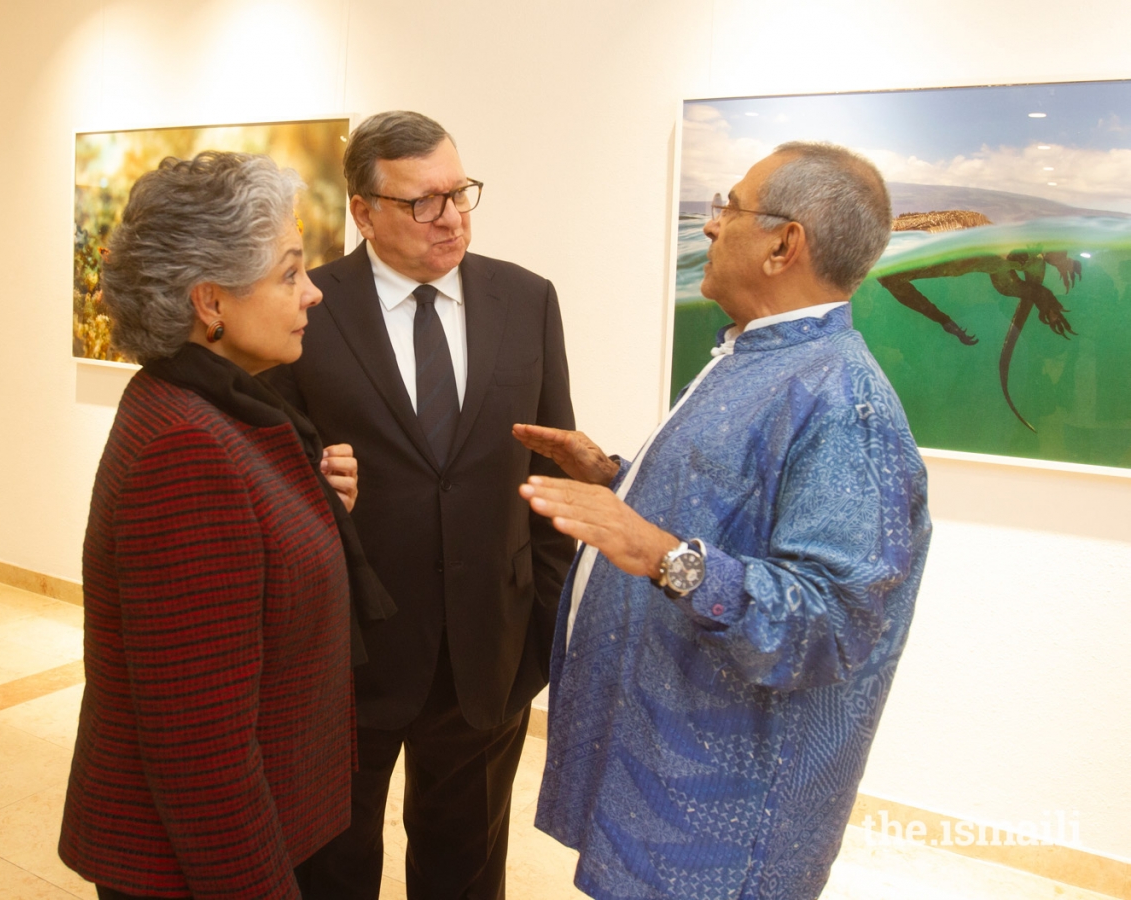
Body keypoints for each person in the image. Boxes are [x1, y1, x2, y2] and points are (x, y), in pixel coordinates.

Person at [516, 142, 932, 900]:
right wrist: (616, 476)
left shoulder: (845, 405)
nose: (711, 227)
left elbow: (834, 622)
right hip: (665, 771)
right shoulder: (760, 357)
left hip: (723, 820)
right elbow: (735, 508)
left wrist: (658, 554)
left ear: (784, 243)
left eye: (730, 208)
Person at [263, 110, 576, 899]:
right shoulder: (308, 308)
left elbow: (553, 464)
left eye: (460, 192)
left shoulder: (526, 299)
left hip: (488, 654)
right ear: (363, 212)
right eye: (422, 203)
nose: (453, 217)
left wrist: (540, 622)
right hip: (346, 656)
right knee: (333, 868)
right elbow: (271, 474)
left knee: (464, 871)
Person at [59, 151, 380, 900]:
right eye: (290, 273)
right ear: (211, 302)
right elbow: (199, 748)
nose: (313, 295)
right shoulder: (188, 448)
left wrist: (317, 512)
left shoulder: (211, 406)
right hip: (195, 866)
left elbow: (247, 577)